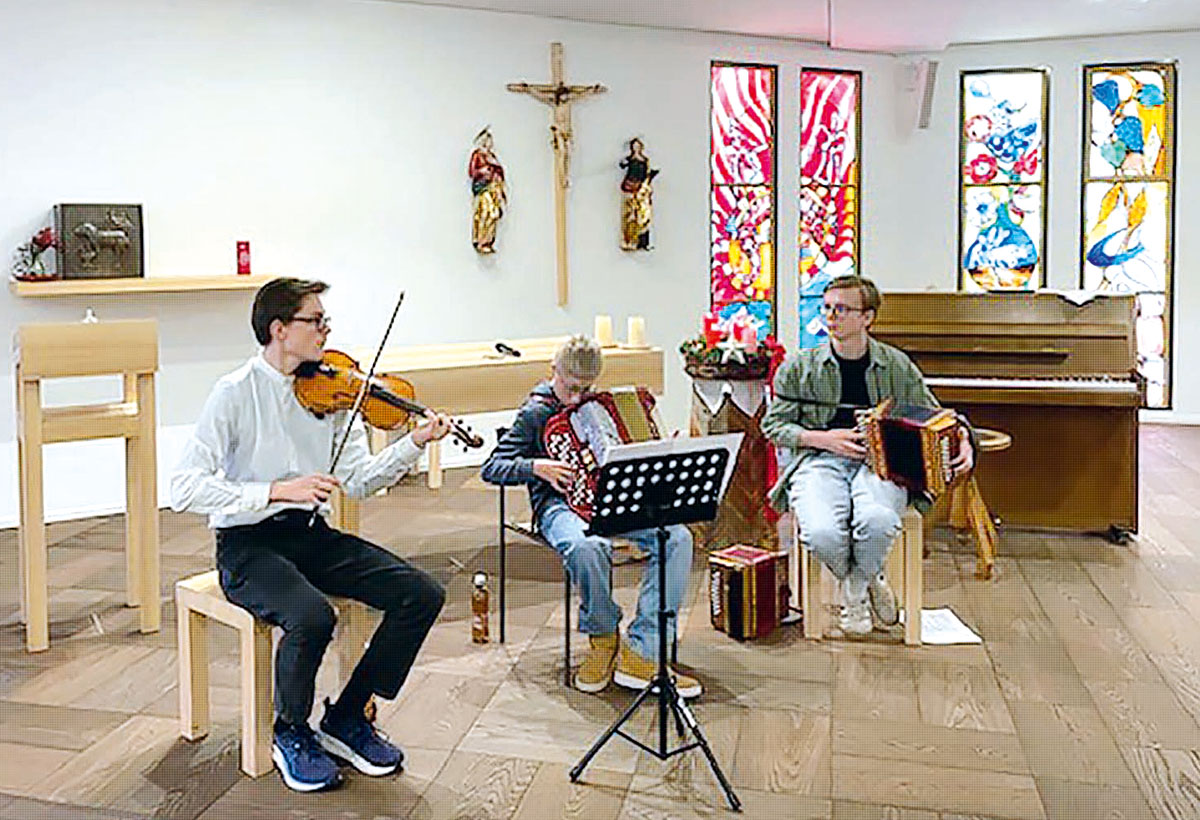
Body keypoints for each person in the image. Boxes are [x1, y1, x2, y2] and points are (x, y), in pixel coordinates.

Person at [171, 277, 451, 792]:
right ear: (279, 329)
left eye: (325, 322)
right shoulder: (234, 394)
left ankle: (346, 717)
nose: (326, 330)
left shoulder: (333, 392)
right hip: (247, 545)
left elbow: (360, 481)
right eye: (315, 321)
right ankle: (290, 731)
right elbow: (183, 488)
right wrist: (275, 491)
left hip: (311, 535)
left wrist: (413, 442)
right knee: (311, 616)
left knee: (420, 594)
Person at [480, 335, 701, 698]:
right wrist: (537, 467)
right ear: (554, 370)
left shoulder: (600, 406)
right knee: (587, 546)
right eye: (571, 388)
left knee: (676, 537)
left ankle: (644, 650)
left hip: (611, 498)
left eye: (586, 388)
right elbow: (493, 467)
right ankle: (603, 636)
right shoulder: (536, 412)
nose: (577, 398)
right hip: (558, 505)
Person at [762, 275, 974, 635]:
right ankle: (868, 577)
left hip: (882, 463)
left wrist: (965, 438)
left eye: (842, 309)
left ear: (867, 318)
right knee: (823, 532)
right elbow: (774, 427)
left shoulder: (896, 365)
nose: (831, 317)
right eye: (827, 308)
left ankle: (854, 591)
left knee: (877, 521)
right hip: (818, 462)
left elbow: (937, 414)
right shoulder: (799, 367)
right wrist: (824, 439)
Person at [469, 127, 507, 254]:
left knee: (494, 214)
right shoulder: (478, 155)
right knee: (485, 214)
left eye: (490, 141)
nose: (488, 144)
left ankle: (489, 240)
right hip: (483, 188)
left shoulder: (492, 157)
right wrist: (484, 171)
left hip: (494, 189)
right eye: (486, 141)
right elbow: (472, 172)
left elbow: (500, 172)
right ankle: (481, 240)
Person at [619, 137, 659, 251]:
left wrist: (649, 178)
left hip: (641, 191)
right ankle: (630, 240)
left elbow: (646, 173)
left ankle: (643, 242)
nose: (636, 148)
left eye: (638, 146)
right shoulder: (630, 160)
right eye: (634, 146)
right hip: (631, 189)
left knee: (643, 217)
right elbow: (622, 166)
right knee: (630, 217)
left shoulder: (645, 160)